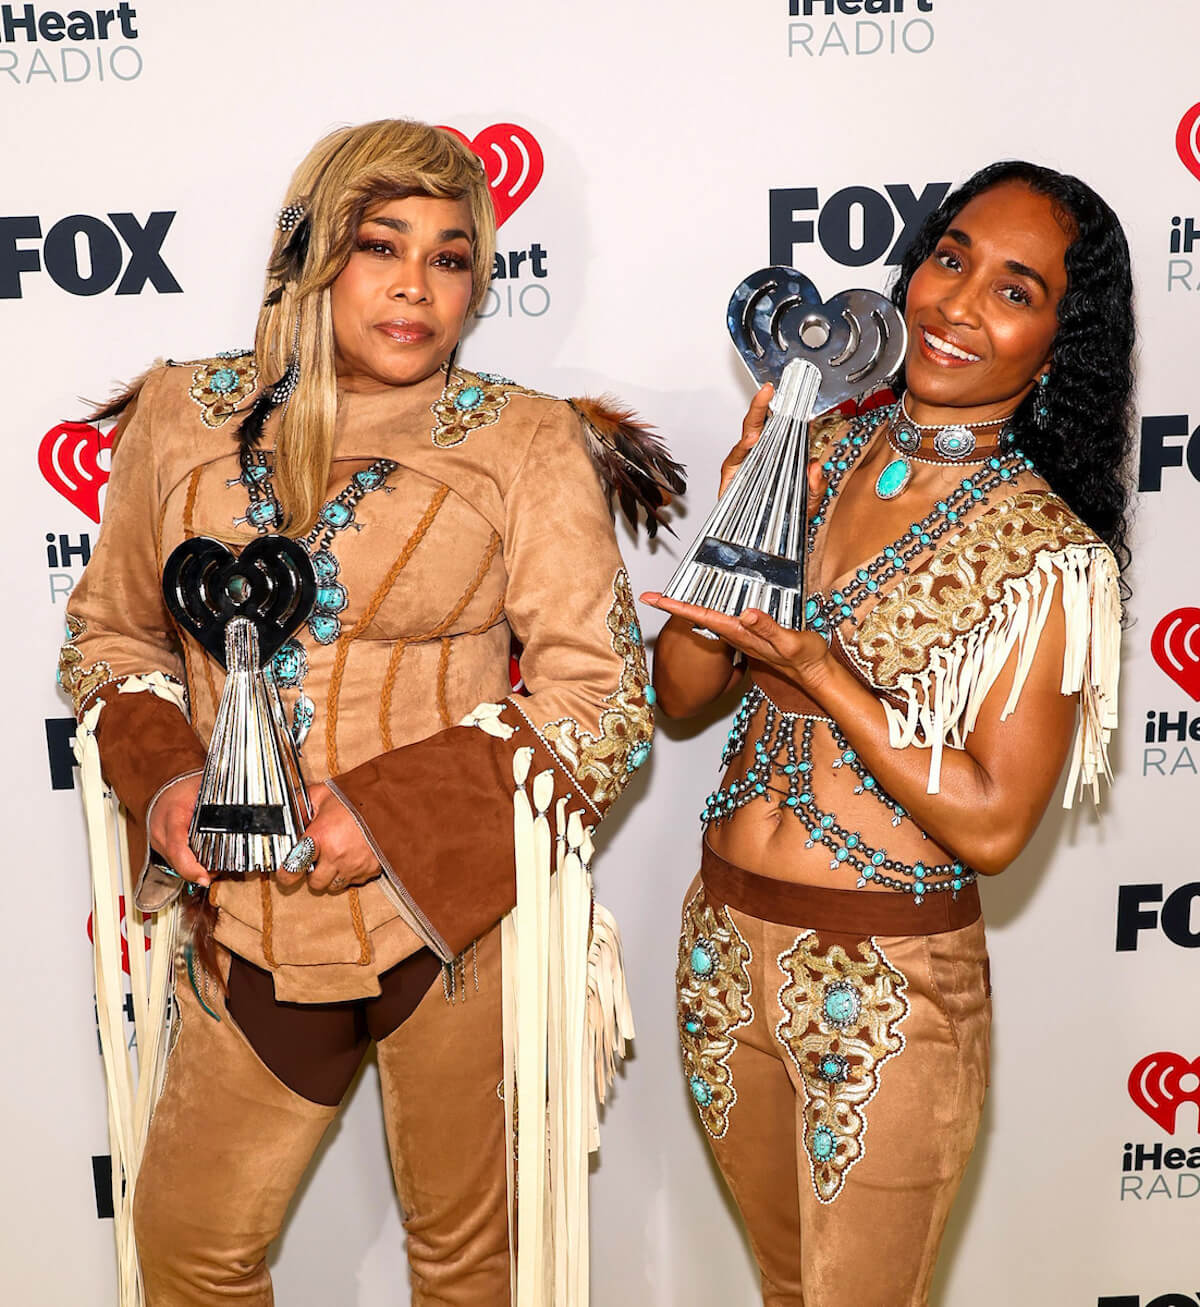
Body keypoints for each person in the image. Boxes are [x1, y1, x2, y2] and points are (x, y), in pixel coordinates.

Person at [60, 118, 679, 1306]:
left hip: (455, 918)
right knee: (188, 1246)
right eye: (380, 245)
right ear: (309, 254)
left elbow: (600, 693)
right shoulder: (184, 415)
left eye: (452, 256)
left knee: (470, 1271)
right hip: (247, 912)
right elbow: (110, 636)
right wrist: (167, 779)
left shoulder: (526, 437)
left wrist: (391, 813)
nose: (416, 285)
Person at [642, 160, 1133, 1306]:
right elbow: (681, 688)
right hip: (720, 953)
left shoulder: (1049, 552)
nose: (959, 304)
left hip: (888, 985)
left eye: (1017, 289)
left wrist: (822, 669)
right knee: (782, 1286)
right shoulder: (808, 456)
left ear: (1061, 341)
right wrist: (735, 513)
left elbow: (998, 822)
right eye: (950, 258)